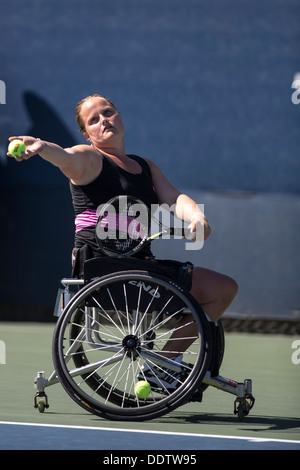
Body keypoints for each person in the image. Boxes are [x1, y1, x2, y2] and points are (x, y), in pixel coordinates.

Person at [8, 94, 238, 388]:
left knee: (223, 289)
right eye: (94, 120)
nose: (104, 120)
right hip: (101, 268)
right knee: (215, 289)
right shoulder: (89, 158)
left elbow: (175, 199)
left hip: (140, 266)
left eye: (108, 112)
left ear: (120, 117)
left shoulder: (145, 167)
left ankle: (162, 366)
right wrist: (42, 148)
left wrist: (197, 219)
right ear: (86, 134)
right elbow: (66, 157)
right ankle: (164, 366)